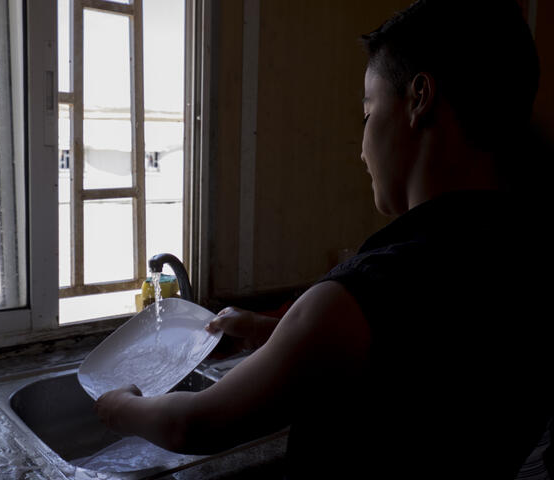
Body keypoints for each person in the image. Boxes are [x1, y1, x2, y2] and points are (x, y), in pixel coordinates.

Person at [95, 0, 553, 477]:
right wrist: (274, 334)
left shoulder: (367, 291)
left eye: (368, 113)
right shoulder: (528, 255)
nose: (361, 148)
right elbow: (420, 371)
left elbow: (194, 424)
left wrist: (121, 407)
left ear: (420, 99)